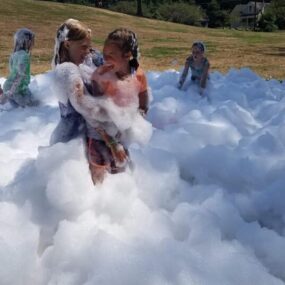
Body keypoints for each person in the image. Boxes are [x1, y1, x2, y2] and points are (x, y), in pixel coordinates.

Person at [58, 28, 151, 184]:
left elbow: (143, 94)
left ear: (127, 55)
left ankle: (121, 197)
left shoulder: (138, 74)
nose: (104, 58)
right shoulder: (101, 76)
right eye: (104, 53)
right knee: (98, 170)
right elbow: (94, 113)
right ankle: (99, 199)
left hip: (122, 131)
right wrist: (111, 142)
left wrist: (141, 113)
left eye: (110, 55)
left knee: (122, 170)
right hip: (99, 135)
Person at [50, 18, 102, 145]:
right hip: (73, 138)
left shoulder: (76, 64)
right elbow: (86, 107)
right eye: (83, 47)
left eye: (89, 48)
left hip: (76, 135)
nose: (87, 52)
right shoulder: (67, 72)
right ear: (67, 44)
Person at [0, 28, 36, 107]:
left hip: (10, 87)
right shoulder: (24, 56)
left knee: (17, 111)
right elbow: (20, 75)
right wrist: (10, 93)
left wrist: (7, 93)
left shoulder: (13, 55)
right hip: (17, 90)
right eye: (32, 41)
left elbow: (12, 72)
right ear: (26, 41)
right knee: (33, 107)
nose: (33, 44)